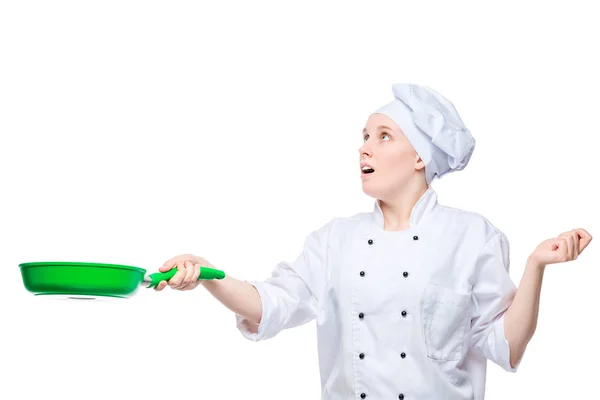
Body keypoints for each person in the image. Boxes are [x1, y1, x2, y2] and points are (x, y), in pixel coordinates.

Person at [155, 83, 592, 399]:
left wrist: (535, 266)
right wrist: (208, 273)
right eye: (365, 137)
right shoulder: (335, 241)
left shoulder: (472, 237)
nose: (365, 148)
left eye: (384, 137)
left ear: (421, 156)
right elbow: (270, 304)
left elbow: (504, 345)